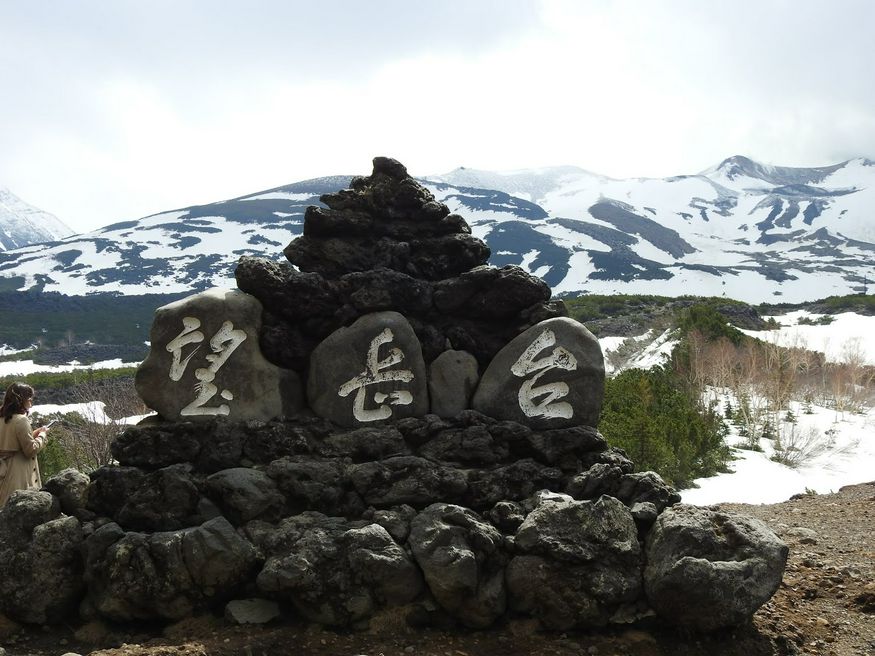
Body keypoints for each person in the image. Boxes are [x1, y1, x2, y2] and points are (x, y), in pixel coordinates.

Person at [0, 382, 49, 508]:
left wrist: (33, 434)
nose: (31, 401)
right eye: (29, 398)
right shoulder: (21, 420)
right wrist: (42, 435)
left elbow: (10, 440)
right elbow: (30, 450)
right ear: (21, 399)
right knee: (17, 509)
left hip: (3, 471)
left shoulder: (2, 417)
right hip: (16, 473)